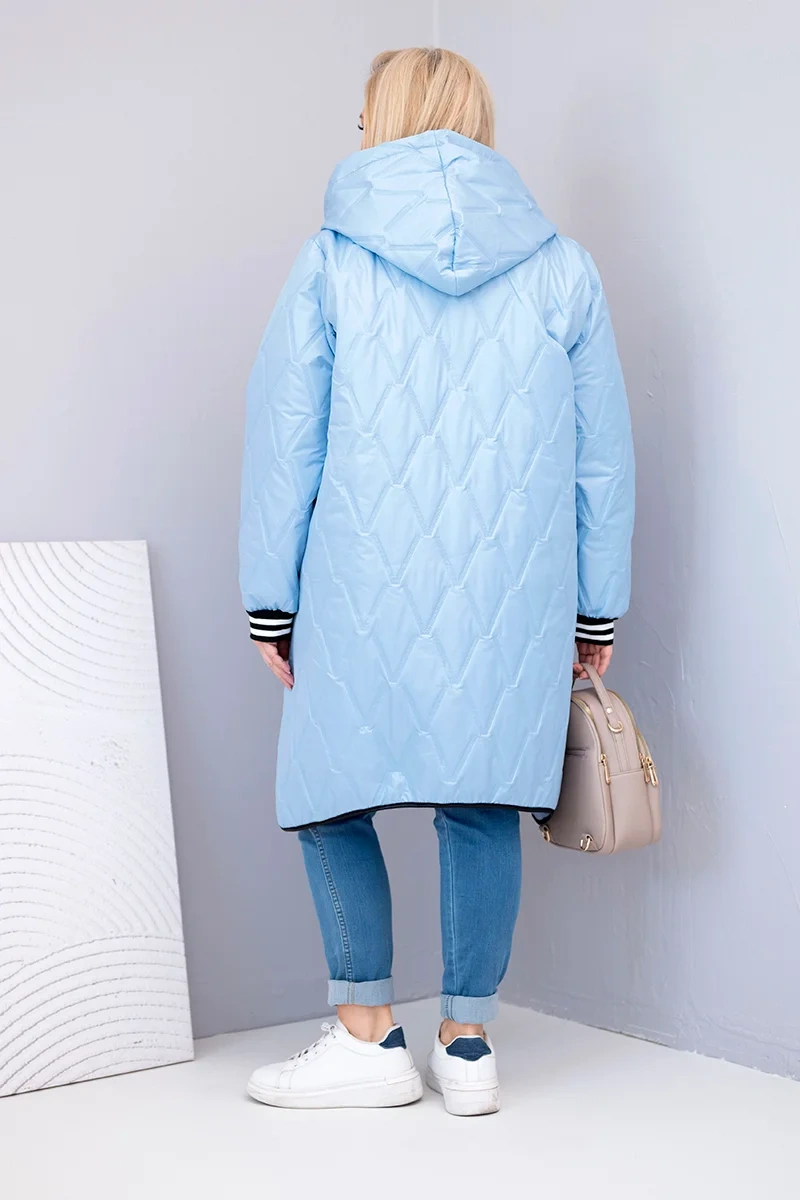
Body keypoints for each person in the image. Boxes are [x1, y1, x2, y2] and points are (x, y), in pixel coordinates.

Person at [239, 47, 634, 1115]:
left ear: (382, 118)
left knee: (328, 797)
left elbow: (286, 439)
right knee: (481, 797)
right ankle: (468, 1048)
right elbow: (601, 458)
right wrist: (595, 605)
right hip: (514, 592)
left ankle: (367, 1037)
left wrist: (271, 599)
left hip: (355, 585)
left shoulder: (332, 260)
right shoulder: (563, 268)